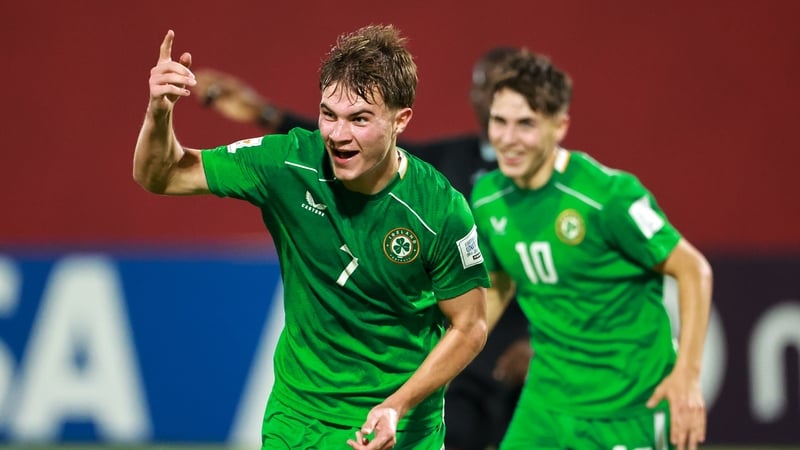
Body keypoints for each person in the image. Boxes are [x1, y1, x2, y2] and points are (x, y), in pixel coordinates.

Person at [133, 25, 491, 450]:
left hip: (400, 425)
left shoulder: (439, 210)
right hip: (297, 419)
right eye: (329, 114)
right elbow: (162, 175)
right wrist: (159, 111)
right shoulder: (287, 164)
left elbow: (470, 326)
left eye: (359, 119)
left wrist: (397, 405)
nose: (338, 135)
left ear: (401, 119)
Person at [471, 49, 713, 450]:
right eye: (500, 121)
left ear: (560, 126)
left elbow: (693, 269)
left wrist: (687, 376)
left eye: (526, 124)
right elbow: (497, 285)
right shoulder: (487, 197)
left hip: (627, 405)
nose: (508, 139)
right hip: (547, 403)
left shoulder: (608, 196)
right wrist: (449, 352)